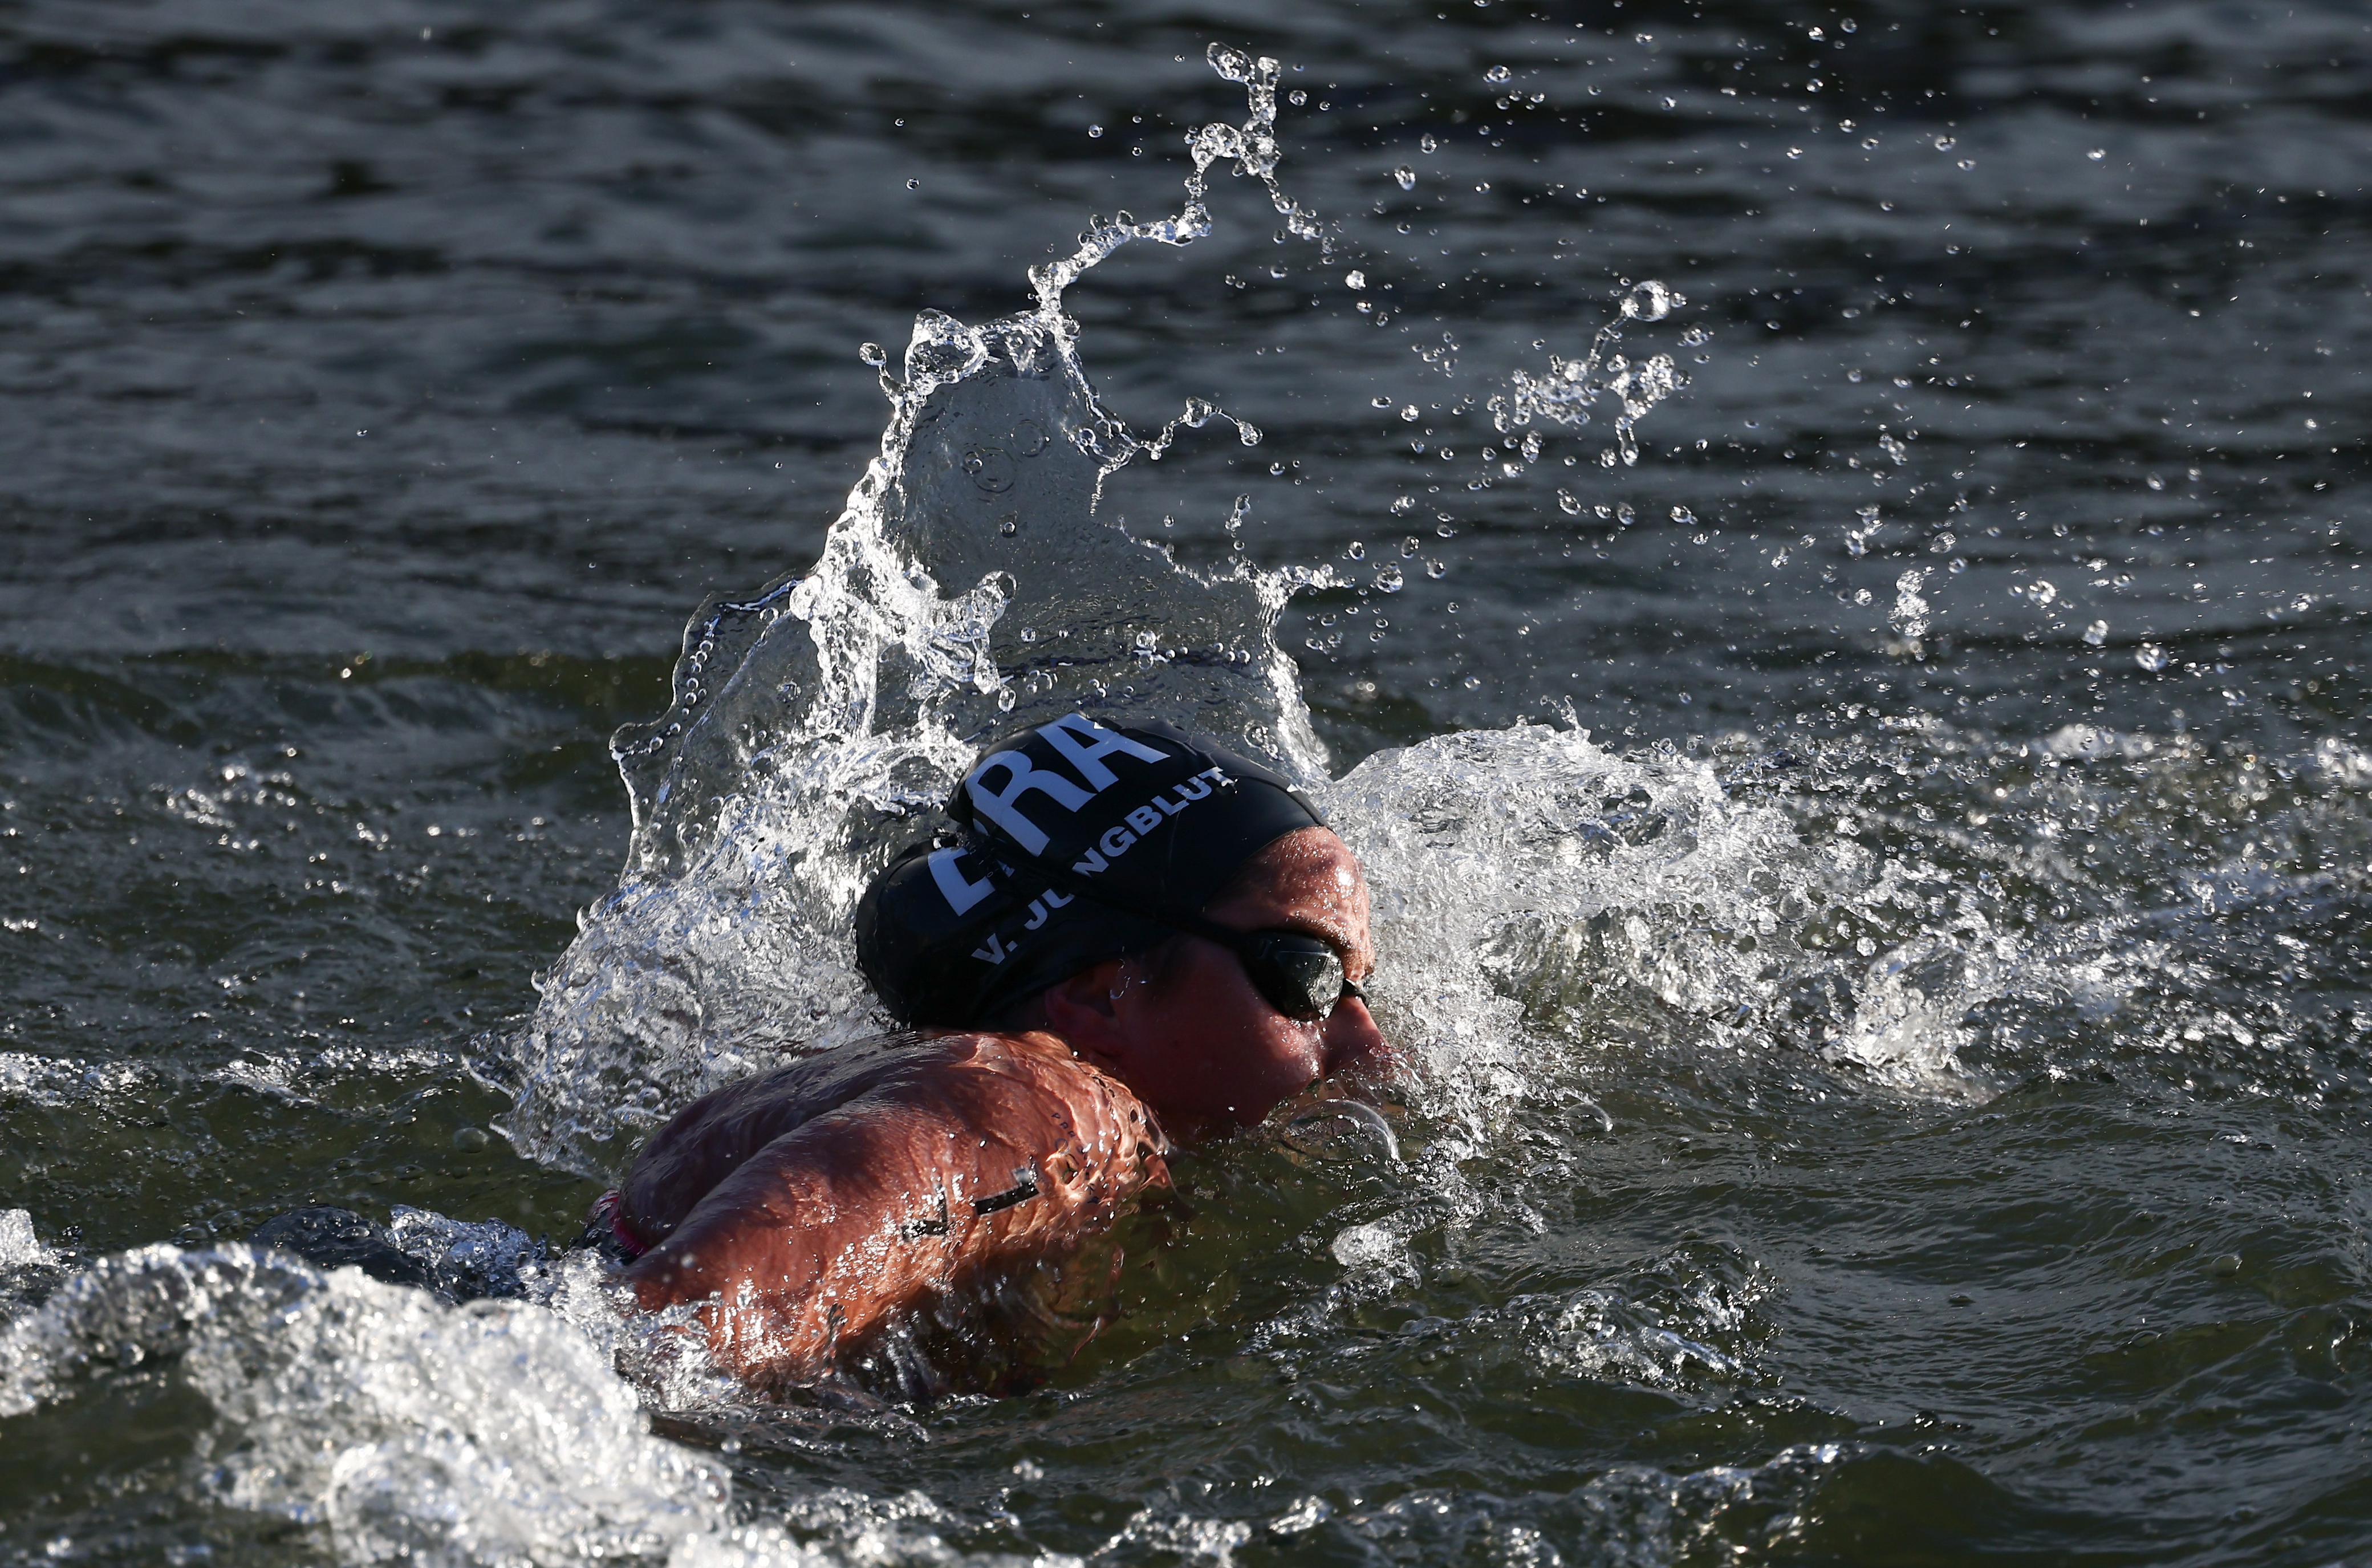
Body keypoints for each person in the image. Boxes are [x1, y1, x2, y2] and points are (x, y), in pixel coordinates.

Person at [596, 712, 1391, 1396]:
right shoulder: (1037, 1111)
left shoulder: (920, 1083)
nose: (1372, 1048)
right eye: (1308, 975)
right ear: (1100, 994)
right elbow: (656, 1342)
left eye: (1363, 987)